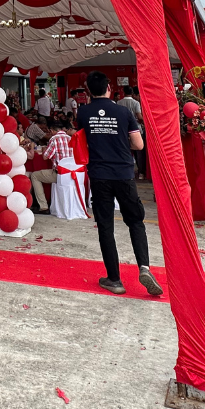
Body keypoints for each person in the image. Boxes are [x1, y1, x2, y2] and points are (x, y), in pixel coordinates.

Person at [76, 72, 162, 297]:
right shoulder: (124, 112)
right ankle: (144, 267)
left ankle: (114, 279)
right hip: (124, 174)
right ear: (109, 88)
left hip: (99, 175)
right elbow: (139, 144)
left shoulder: (83, 113)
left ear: (88, 91)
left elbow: (81, 141)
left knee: (105, 226)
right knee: (135, 221)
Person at [29, 121, 73, 215]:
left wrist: (45, 149)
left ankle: (43, 206)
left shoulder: (54, 139)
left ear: (52, 131)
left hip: (59, 174)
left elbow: (45, 157)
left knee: (34, 175)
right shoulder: (70, 138)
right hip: (72, 174)